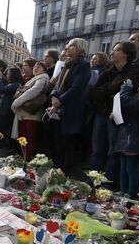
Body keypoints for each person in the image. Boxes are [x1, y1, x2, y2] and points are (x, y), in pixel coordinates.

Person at [89, 41, 139, 187]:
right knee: (97, 151)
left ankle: (107, 185)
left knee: (112, 152)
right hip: (102, 114)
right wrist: (110, 89)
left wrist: (107, 89)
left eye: (117, 50)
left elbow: (125, 90)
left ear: (126, 53)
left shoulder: (136, 69)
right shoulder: (108, 71)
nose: (112, 52)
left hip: (118, 117)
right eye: (113, 50)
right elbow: (94, 93)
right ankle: (92, 182)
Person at [49, 38, 91, 179]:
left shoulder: (83, 65)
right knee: (58, 143)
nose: (67, 48)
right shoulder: (66, 64)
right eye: (67, 46)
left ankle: (66, 175)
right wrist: (54, 96)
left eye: (71, 46)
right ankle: (57, 172)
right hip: (60, 109)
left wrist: (59, 101)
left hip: (71, 111)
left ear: (79, 48)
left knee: (68, 145)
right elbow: (56, 84)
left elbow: (77, 88)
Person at [11, 62, 49, 159]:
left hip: (32, 113)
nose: (35, 68)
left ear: (44, 70)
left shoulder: (43, 77)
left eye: (39, 67)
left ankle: (27, 158)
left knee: (29, 137)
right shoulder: (34, 78)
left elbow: (34, 91)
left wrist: (17, 101)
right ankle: (23, 156)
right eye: (35, 66)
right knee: (23, 137)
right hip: (25, 112)